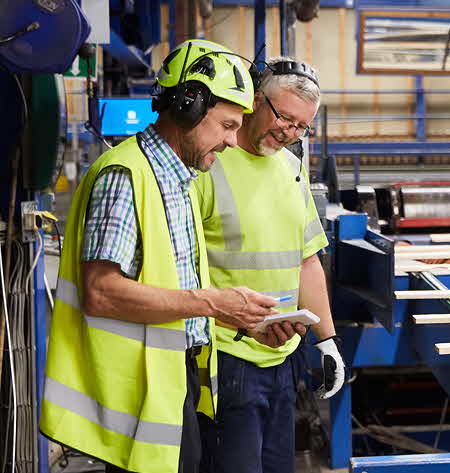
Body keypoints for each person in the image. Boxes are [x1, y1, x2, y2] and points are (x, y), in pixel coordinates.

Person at [40, 39, 281, 473]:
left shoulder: (178, 180)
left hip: (172, 385)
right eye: (227, 125)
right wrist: (213, 303)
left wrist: (241, 320)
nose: (232, 140)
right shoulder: (124, 175)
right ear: (189, 106)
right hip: (136, 395)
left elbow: (171, 287)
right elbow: (101, 293)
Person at [193, 57, 344, 473]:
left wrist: (327, 340)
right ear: (256, 100)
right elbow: (179, 271)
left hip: (284, 358)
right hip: (226, 358)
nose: (290, 132)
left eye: (302, 127)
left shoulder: (291, 167)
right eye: (285, 118)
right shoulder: (208, 164)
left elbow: (307, 259)